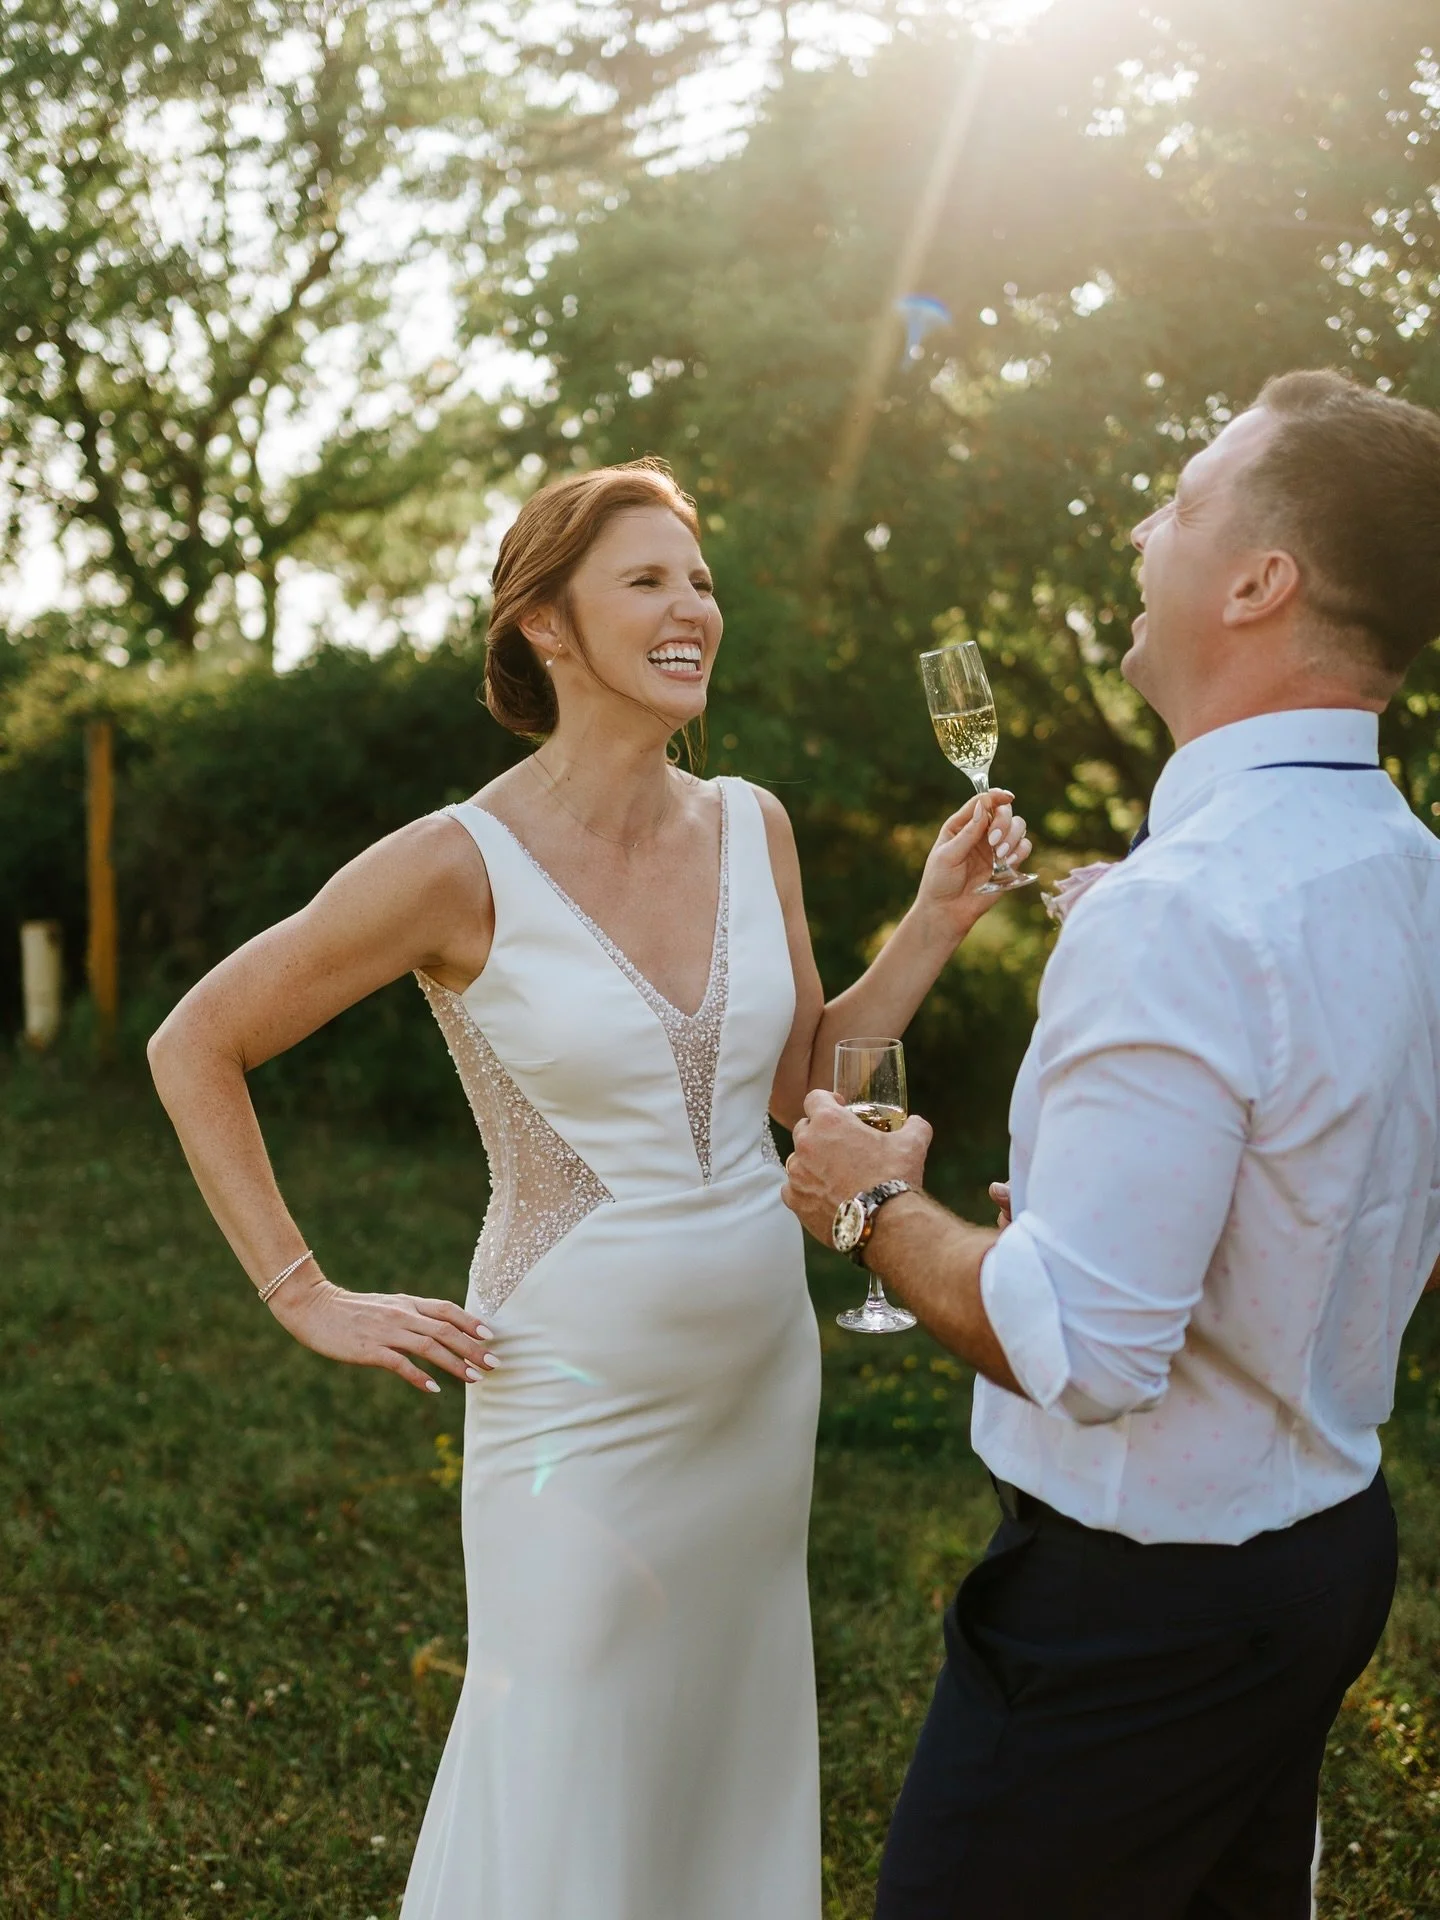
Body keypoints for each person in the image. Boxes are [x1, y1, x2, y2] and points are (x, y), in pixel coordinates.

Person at [146, 457, 1030, 1920]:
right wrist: (302, 1292)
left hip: (758, 1380)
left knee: (721, 1764)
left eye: (701, 581)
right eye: (647, 581)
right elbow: (197, 1044)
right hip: (572, 1399)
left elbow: (799, 1076)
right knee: (562, 1759)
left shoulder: (750, 820)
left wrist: (936, 920)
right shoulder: (455, 862)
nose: (693, 608)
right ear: (546, 626)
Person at [783, 370, 1440, 1919]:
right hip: (1326, 1552)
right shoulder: (1409, 867)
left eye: (1182, 501)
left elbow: (1081, 1352)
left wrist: (872, 1204)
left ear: (1258, 583)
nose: (1145, 530)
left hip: (1132, 1621)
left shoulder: (1179, 909)